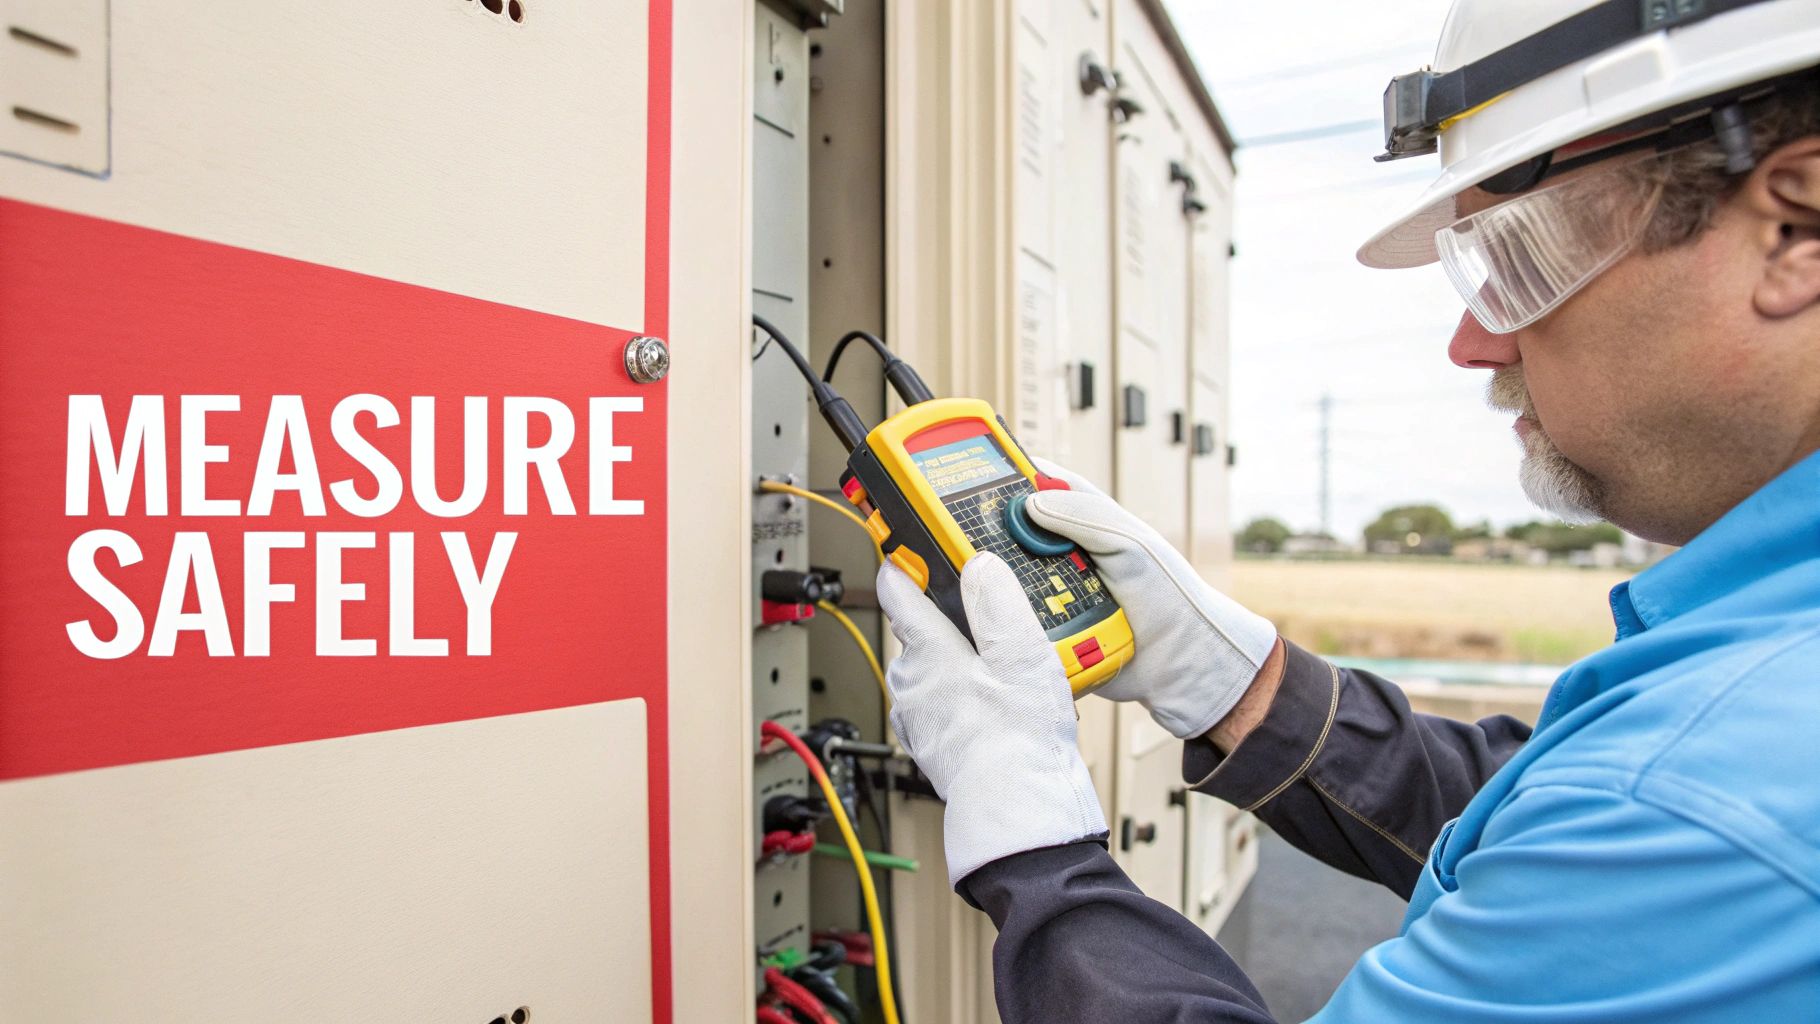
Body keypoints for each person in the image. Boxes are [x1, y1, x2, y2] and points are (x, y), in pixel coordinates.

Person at [875, 1, 1820, 1020]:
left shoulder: (1700, 792)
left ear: (1794, 229)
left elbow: (1627, 825)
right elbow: (1539, 815)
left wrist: (1033, 845)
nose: (1473, 345)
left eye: (1517, 258)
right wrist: (1234, 681)